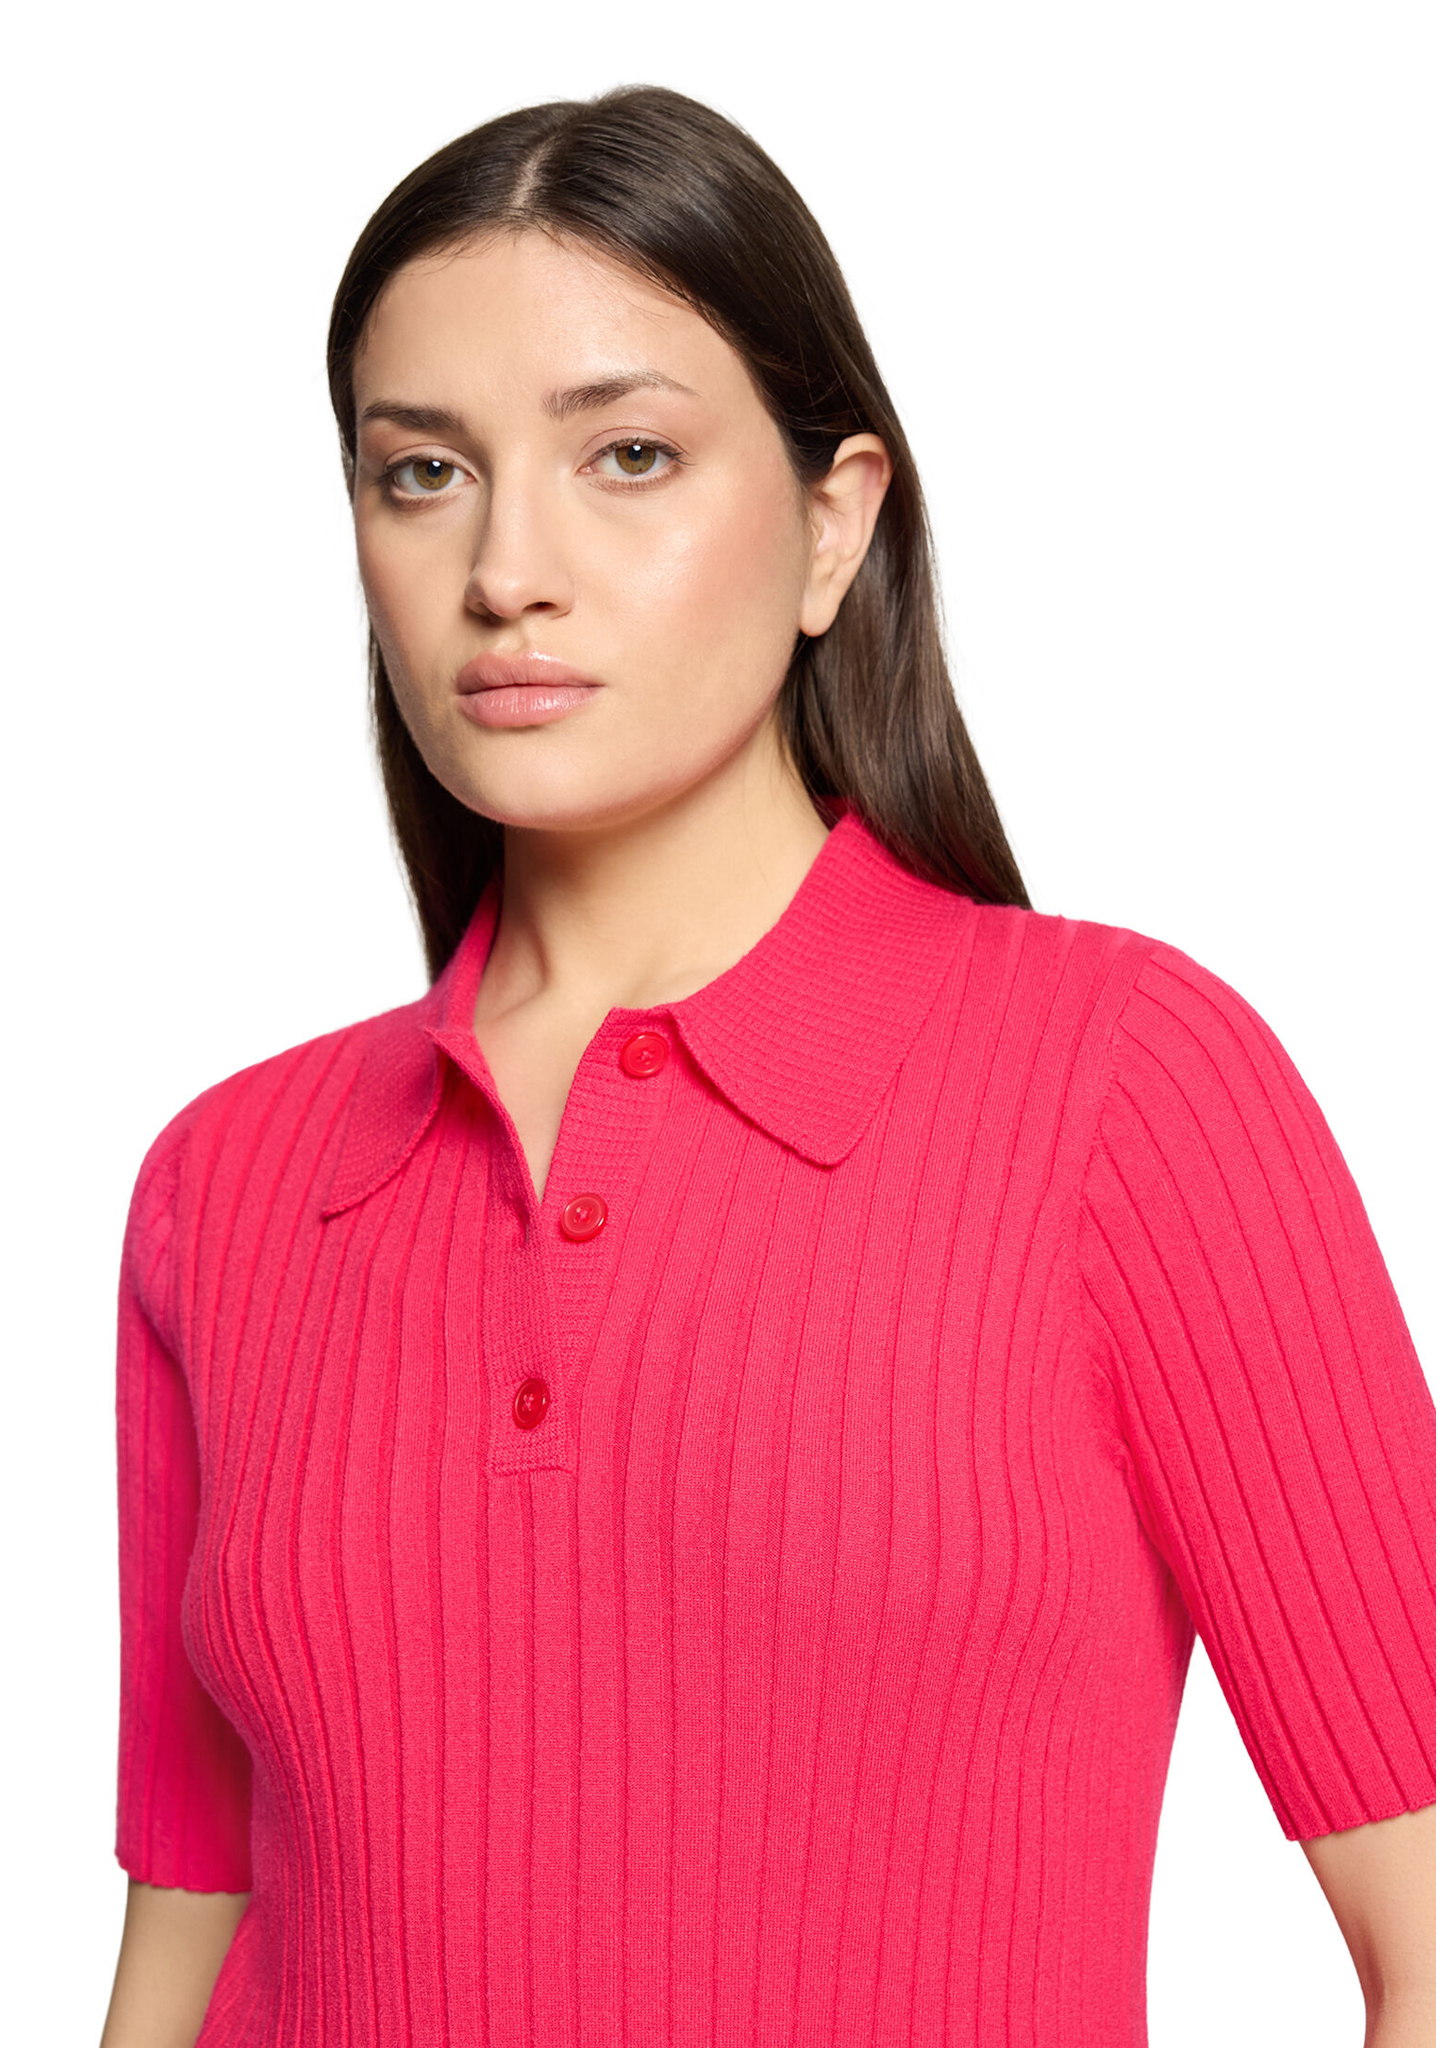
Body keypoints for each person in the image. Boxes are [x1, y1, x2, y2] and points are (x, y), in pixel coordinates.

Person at [100, 83, 1435, 2048]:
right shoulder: (227, 1184)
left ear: (833, 522)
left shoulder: (1120, 1086)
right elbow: (182, 1943)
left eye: (627, 454)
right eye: (423, 472)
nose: (508, 569)